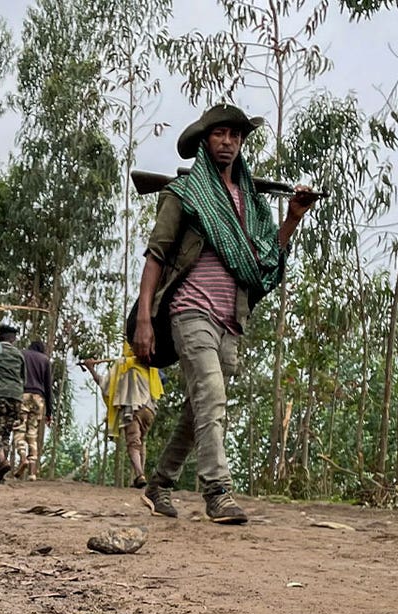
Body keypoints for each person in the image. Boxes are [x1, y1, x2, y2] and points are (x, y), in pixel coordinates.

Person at [131, 103, 318, 524]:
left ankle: (160, 482)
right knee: (212, 396)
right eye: (219, 134)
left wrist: (291, 218)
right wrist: (145, 318)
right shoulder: (185, 195)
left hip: (230, 318)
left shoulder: (251, 202)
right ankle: (217, 491)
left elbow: (266, 258)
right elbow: (155, 257)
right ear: (204, 140)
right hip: (188, 310)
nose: (228, 142)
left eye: (235, 136)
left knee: (200, 407)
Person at [80, 342, 163, 488]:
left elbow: (104, 384)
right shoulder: (150, 367)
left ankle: (140, 475)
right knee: (141, 441)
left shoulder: (122, 365)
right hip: (149, 410)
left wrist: (91, 368)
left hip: (133, 408)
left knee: (133, 442)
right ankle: (140, 476)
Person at [0, 324, 26, 483]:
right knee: (6, 434)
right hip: (16, 397)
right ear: (13, 339)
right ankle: (0, 471)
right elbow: (24, 378)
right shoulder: (19, 355)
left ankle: (2, 461)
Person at [13, 339, 52, 481]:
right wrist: (49, 413)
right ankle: (32, 472)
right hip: (38, 398)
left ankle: (23, 457)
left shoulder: (21, 355)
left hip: (22, 394)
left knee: (19, 429)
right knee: (32, 433)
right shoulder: (45, 360)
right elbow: (48, 388)